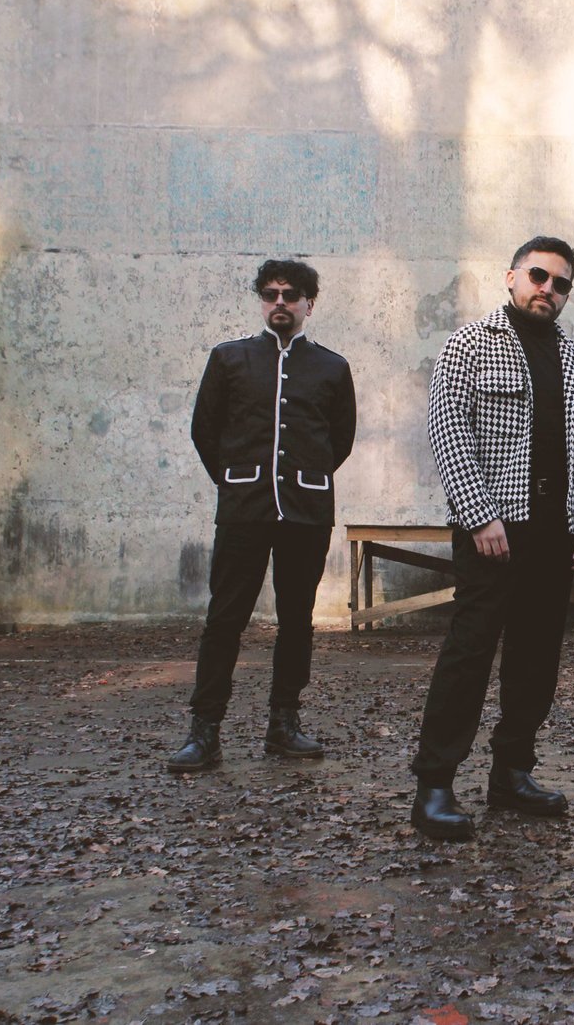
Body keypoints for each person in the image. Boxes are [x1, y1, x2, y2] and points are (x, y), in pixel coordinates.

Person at [409, 236, 574, 841]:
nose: (549, 289)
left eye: (561, 283)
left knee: (536, 658)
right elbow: (448, 430)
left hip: (555, 536)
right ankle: (435, 785)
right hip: (493, 531)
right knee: (469, 654)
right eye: (539, 276)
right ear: (512, 277)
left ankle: (512, 772)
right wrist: (479, 515)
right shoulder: (470, 344)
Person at [167, 260, 357, 772]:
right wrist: (236, 480)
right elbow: (205, 430)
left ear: (308, 303)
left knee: (297, 620)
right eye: (270, 294)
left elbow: (339, 440)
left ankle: (284, 724)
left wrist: (304, 476)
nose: (279, 302)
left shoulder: (332, 367)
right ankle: (205, 731)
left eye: (290, 295)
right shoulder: (229, 358)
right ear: (261, 300)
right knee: (224, 619)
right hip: (243, 509)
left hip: (306, 512)